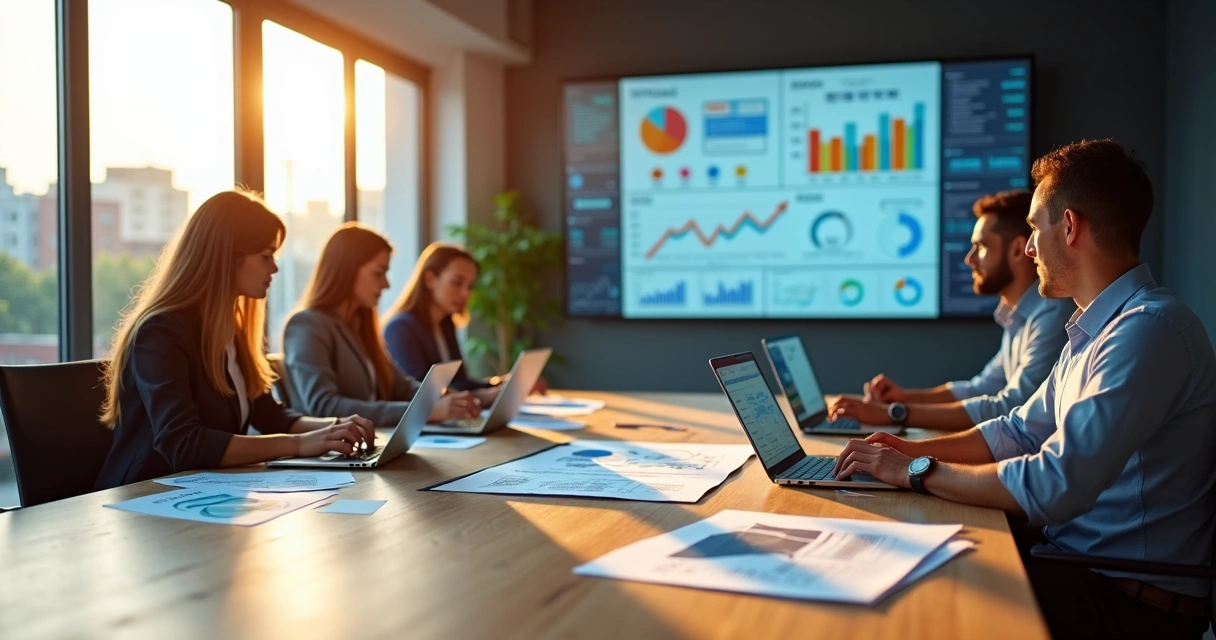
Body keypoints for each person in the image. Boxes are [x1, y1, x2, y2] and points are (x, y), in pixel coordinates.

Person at [832, 139, 1216, 639]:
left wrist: (917, 471)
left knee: (920, 601)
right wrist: (902, 452)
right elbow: (1018, 431)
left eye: (1035, 227)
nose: (1029, 247)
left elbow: (1055, 483)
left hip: (1125, 601)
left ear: (1070, 226)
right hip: (1074, 562)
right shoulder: (1097, 329)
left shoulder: (1147, 330)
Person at [96, 190, 376, 490]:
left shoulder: (230, 330)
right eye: (266, 256)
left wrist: (334, 429)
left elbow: (269, 416)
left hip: (203, 491)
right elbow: (184, 444)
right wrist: (298, 444)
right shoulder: (160, 332)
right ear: (227, 257)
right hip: (146, 494)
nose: (274, 268)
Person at [829, 190, 1073, 431]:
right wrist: (901, 398)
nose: (970, 259)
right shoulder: (1021, 315)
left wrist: (894, 413)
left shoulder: (1051, 316)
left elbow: (1012, 406)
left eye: (981, 246)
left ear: (1018, 249)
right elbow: (981, 388)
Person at [282, 224, 481, 426]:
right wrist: (424, 411)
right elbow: (323, 407)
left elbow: (401, 388)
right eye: (379, 273)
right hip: (338, 445)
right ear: (348, 270)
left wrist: (447, 398)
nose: (386, 284)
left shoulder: (359, 327)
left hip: (373, 438)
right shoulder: (307, 325)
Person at [382, 242, 502, 405]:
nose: (465, 293)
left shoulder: (446, 324)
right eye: (457, 283)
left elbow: (459, 381)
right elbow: (419, 390)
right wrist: (481, 396)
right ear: (430, 279)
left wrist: (499, 385)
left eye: (470, 286)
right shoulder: (401, 328)